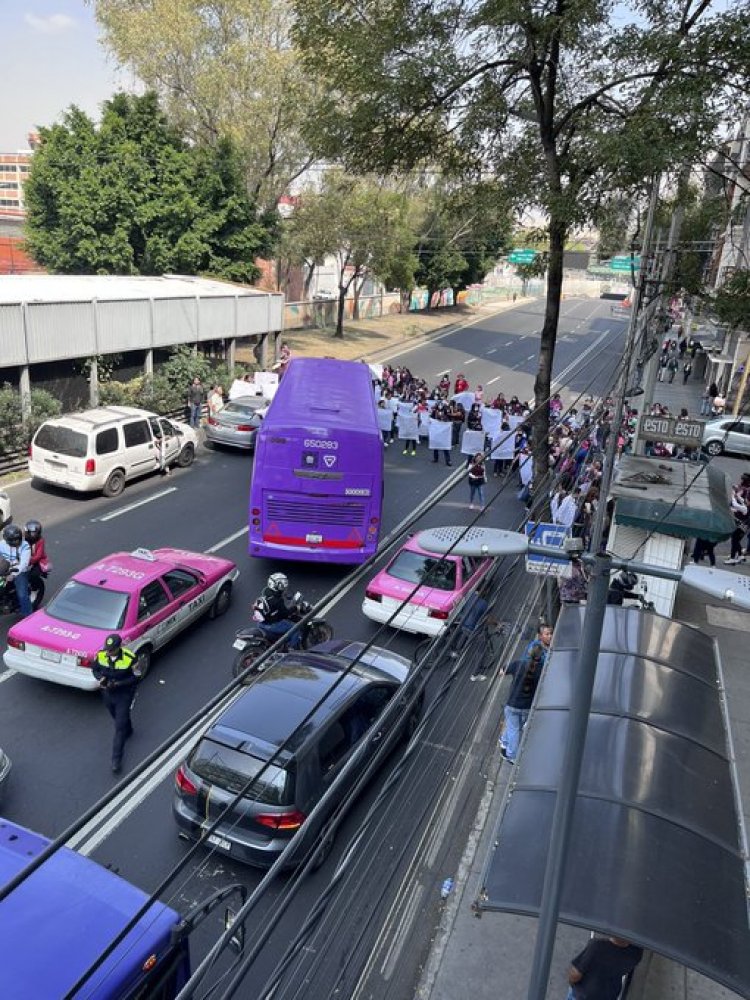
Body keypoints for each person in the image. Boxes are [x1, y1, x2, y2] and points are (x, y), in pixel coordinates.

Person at [500, 624, 552, 763]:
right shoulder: (541, 670)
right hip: (527, 707)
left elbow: (503, 670)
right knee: (514, 728)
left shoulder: (519, 664)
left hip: (512, 703)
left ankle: (510, 755)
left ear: (529, 653)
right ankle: (504, 741)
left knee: (513, 729)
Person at [92, 634, 141, 774]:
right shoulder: (101, 655)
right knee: (118, 716)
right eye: (107, 649)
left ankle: (116, 760)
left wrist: (119, 684)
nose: (108, 652)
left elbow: (136, 676)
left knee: (119, 727)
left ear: (119, 647)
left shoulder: (130, 658)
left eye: (111, 650)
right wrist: (100, 678)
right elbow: (94, 669)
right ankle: (129, 729)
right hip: (107, 693)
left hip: (123, 694)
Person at [567, 936, 643, 1000]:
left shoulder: (597, 946)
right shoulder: (636, 953)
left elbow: (575, 975)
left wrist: (572, 983)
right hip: (610, 996)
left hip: (584, 995)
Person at [252, 573, 305, 649]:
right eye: (283, 584)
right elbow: (285, 614)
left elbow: (275, 610)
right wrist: (296, 608)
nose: (284, 586)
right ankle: (292, 649)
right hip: (272, 625)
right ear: (277, 585)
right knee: (295, 629)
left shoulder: (266, 593)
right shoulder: (277, 600)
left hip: (261, 624)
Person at [0, 524, 32, 617]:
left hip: (19, 571)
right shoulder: (2, 544)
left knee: (22, 595)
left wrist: (13, 575)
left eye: (17, 539)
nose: (16, 541)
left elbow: (24, 563)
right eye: (13, 540)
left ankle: (28, 616)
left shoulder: (25, 546)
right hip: (4, 568)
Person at [24, 519, 48, 606]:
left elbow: (38, 555)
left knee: (33, 575)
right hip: (24, 559)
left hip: (37, 561)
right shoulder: (24, 539)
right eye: (28, 532)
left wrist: (28, 561)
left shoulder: (40, 541)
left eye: (32, 532)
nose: (30, 534)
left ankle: (34, 590)